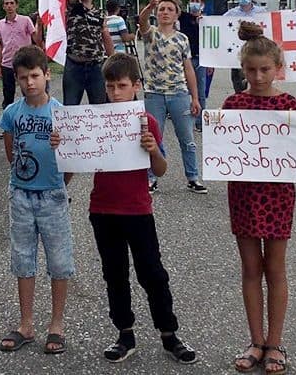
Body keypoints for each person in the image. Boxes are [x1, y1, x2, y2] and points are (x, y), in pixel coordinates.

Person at [54, 53, 198, 364]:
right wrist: (63, 147)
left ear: (136, 86)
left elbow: (160, 170)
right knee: (114, 275)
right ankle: (124, 333)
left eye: (122, 86)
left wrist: (151, 150)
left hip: (137, 209)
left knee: (153, 274)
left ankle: (169, 333)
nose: (116, 92)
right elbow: (70, 169)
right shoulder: (95, 120)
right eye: (110, 86)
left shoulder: (148, 122)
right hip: (103, 210)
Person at [222, 22, 296, 375]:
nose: (258, 77)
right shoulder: (232, 103)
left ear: (278, 68)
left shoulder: (288, 103)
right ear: (243, 69)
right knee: (250, 268)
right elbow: (222, 150)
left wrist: (295, 134)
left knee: (275, 268)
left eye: (265, 70)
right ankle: (255, 341)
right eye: (251, 70)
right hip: (243, 194)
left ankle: (275, 343)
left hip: (276, 195)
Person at [0, 45, 73, 355]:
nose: (30, 83)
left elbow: (71, 162)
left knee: (59, 260)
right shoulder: (11, 113)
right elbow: (10, 153)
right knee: (23, 258)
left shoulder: (60, 113)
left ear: (47, 75)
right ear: (16, 79)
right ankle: (26, 323)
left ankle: (56, 324)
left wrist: (59, 180)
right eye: (23, 77)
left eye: (35, 76)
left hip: (53, 194)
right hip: (21, 194)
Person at [138, 0, 206, 194]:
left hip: (179, 93)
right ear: (157, 14)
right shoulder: (150, 33)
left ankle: (193, 176)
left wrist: (194, 97)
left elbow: (188, 69)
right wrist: (149, 6)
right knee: (153, 139)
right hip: (154, 94)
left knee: (187, 138)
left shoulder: (182, 39)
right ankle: (151, 177)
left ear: (177, 15)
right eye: (162, 10)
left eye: (170, 9)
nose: (165, 12)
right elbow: (142, 21)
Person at [64, 0, 114, 105]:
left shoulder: (100, 13)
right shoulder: (73, 6)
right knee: (70, 108)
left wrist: (113, 60)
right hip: (74, 65)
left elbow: (105, 37)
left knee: (100, 108)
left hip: (96, 67)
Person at [173, 0, 213, 131]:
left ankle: (200, 122)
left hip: (200, 59)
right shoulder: (184, 17)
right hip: (184, 58)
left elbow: (211, 43)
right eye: (192, 1)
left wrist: (211, 63)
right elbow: (172, 4)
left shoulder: (206, 21)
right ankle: (184, 118)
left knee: (200, 91)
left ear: (202, 4)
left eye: (197, 1)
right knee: (183, 90)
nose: (194, 4)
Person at [0, 0, 38, 111]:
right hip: (7, 62)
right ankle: (8, 118)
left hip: (25, 62)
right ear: (3, 7)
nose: (9, 6)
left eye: (12, 3)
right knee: (8, 93)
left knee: (28, 90)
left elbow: (35, 38)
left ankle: (31, 113)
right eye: (6, 4)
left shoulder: (25, 20)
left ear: (16, 5)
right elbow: (0, 46)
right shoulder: (0, 24)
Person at [223, 0, 262, 93]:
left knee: (258, 87)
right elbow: (217, 25)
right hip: (237, 57)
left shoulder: (262, 12)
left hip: (257, 54)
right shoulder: (230, 14)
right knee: (239, 90)